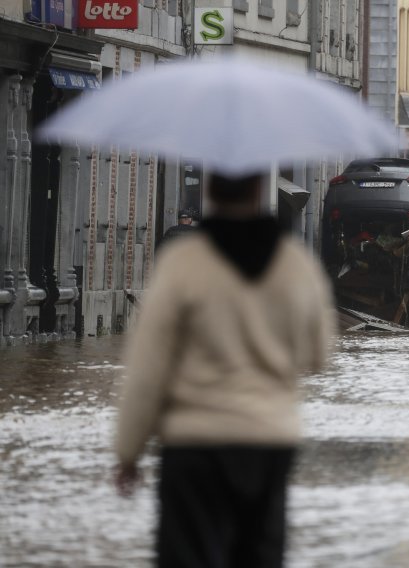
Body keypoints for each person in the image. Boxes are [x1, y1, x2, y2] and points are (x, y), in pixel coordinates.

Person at [114, 173, 336, 568]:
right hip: (268, 442)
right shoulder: (295, 262)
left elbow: (147, 369)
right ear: (258, 189)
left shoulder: (182, 263)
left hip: (194, 446)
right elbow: (319, 356)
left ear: (211, 191)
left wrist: (128, 451)